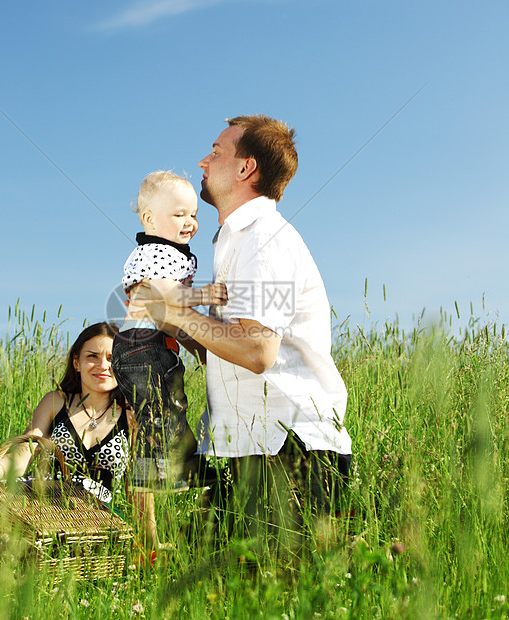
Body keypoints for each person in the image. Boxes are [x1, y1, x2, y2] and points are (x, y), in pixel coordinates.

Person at [132, 116, 352, 544]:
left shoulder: (264, 238)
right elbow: (229, 345)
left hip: (288, 453)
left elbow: (257, 351)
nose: (202, 161)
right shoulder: (232, 241)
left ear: (245, 169)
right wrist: (172, 323)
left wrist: (175, 310)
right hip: (245, 450)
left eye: (216, 152)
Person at [0, 322, 161, 549]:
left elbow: (141, 486)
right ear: (77, 363)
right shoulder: (56, 402)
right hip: (42, 508)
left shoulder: (132, 413)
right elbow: (27, 449)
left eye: (111, 358)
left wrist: (151, 542)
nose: (102, 365)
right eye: (92, 356)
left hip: (97, 519)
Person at [111, 170, 227, 491]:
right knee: (159, 411)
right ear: (149, 220)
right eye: (179, 214)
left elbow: (176, 317)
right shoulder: (156, 253)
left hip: (156, 348)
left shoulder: (173, 253)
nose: (190, 221)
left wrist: (198, 348)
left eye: (194, 214)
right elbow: (167, 296)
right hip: (142, 347)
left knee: (172, 408)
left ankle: (184, 465)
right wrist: (203, 294)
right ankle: (150, 472)